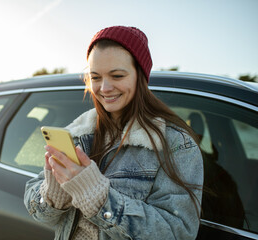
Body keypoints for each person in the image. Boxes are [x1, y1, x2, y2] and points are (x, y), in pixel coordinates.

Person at [24, 25, 203, 240]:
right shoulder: (78, 133)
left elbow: (178, 233)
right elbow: (42, 215)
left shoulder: (175, 144)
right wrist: (54, 193)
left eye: (117, 75)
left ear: (141, 76)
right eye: (96, 77)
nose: (104, 88)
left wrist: (98, 198)